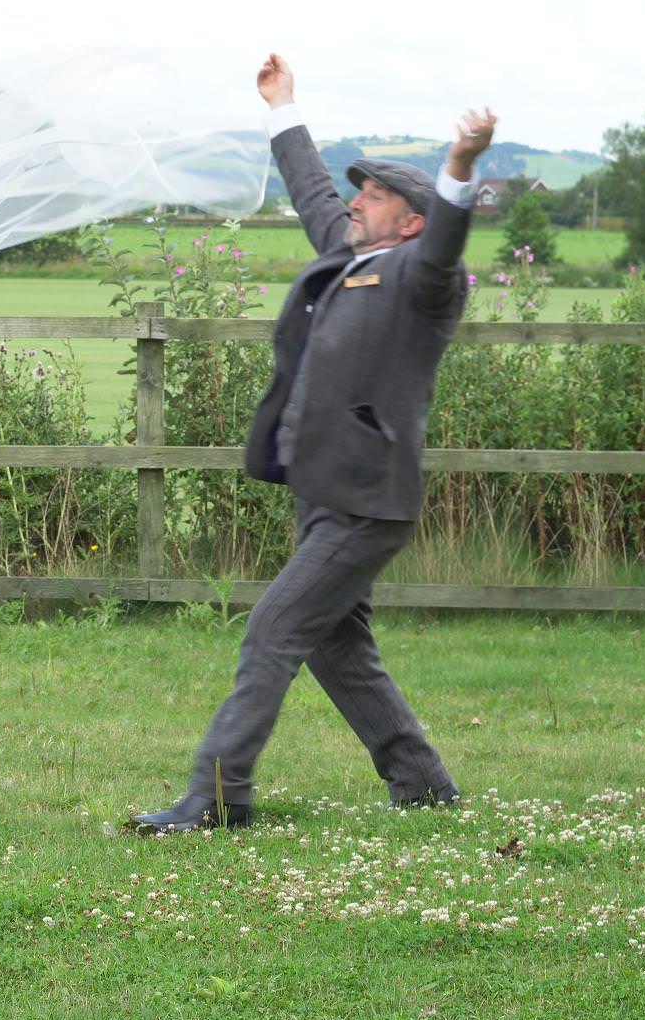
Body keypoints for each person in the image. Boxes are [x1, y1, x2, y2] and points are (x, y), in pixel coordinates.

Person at [131, 54, 495, 833]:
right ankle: (423, 786)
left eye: (377, 195)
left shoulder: (421, 279)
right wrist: (282, 107)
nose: (357, 202)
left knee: (273, 630)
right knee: (337, 649)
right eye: (360, 192)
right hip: (324, 494)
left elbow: (449, 241)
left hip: (367, 501)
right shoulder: (350, 254)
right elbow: (311, 188)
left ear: (413, 221)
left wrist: (460, 168)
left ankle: (216, 799)